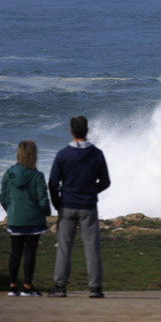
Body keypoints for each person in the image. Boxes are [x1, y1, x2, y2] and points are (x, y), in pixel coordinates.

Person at [48, 116, 110, 298]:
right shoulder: (96, 153)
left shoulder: (63, 154)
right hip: (88, 206)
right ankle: (95, 288)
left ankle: (60, 287)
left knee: (64, 247)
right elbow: (105, 181)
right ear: (87, 130)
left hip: (67, 205)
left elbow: (52, 183)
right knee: (92, 247)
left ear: (71, 131)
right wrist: (91, 191)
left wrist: (58, 203)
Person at [0, 140, 51, 297]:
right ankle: (27, 287)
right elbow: (43, 199)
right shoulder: (37, 176)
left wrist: (12, 210)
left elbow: (3, 197)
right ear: (33, 155)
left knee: (15, 252)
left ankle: (12, 286)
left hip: (15, 219)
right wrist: (46, 212)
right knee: (30, 253)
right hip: (34, 221)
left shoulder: (9, 173)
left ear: (19, 154)